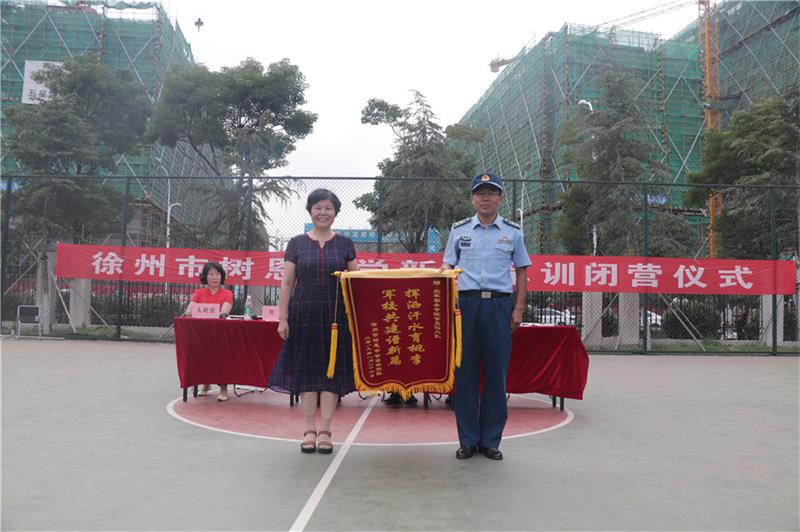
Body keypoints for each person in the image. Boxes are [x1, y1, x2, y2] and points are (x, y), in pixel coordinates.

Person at [442, 172, 531, 461]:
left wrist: (518, 308)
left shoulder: (513, 232)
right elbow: (447, 266)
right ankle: (468, 440)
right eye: (480, 193)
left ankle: (491, 441)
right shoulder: (459, 230)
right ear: (472, 199)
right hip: (465, 306)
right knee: (465, 374)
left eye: (491, 193)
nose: (485, 198)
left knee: (496, 375)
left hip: (499, 306)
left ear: (500, 198)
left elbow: (522, 270)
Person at [270, 189, 358, 454]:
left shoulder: (345, 244)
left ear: (335, 213)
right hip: (303, 315)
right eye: (318, 208)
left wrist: (357, 319)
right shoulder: (296, 243)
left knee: (331, 373)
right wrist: (282, 319)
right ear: (310, 211)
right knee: (307, 373)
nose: (323, 213)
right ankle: (309, 429)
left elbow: (356, 284)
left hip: (336, 318)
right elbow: (287, 283)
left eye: (328, 208)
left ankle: (326, 430)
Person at [185, 261, 234, 401]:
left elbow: (223, 314)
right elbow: (188, 312)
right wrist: (209, 312)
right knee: (200, 354)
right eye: (211, 274)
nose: (214, 277)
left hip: (220, 334)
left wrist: (202, 311)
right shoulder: (198, 293)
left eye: (217, 274)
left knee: (221, 356)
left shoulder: (227, 294)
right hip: (201, 333)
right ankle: (205, 383)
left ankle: (223, 387)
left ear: (222, 276)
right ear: (205, 277)